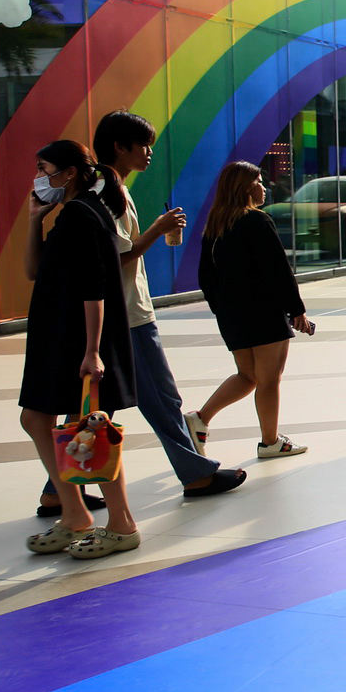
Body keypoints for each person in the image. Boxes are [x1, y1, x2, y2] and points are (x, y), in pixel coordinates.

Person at [92, 111, 245, 500]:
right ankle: (196, 474)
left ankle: (58, 488)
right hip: (128, 314)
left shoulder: (106, 188)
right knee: (162, 398)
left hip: (112, 313)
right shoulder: (107, 191)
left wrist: (153, 233)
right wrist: (158, 231)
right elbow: (113, 256)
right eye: (142, 145)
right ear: (118, 147)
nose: (149, 153)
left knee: (96, 405)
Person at [20, 140, 140, 558]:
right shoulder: (71, 213)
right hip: (57, 334)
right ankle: (75, 514)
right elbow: (34, 270)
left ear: (69, 172)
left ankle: (120, 522)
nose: (38, 175)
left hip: (77, 338)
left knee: (89, 427)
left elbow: (95, 287)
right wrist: (35, 220)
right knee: (43, 419)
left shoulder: (82, 214)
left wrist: (92, 350)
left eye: (44, 166)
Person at [189, 161, 313, 461]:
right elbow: (278, 271)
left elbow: (205, 276)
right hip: (263, 312)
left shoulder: (216, 225)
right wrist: (297, 310)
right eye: (258, 181)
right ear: (245, 188)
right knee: (269, 379)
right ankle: (270, 441)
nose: (264, 186)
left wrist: (221, 308)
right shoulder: (257, 221)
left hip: (232, 316)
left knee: (247, 375)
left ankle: (199, 419)